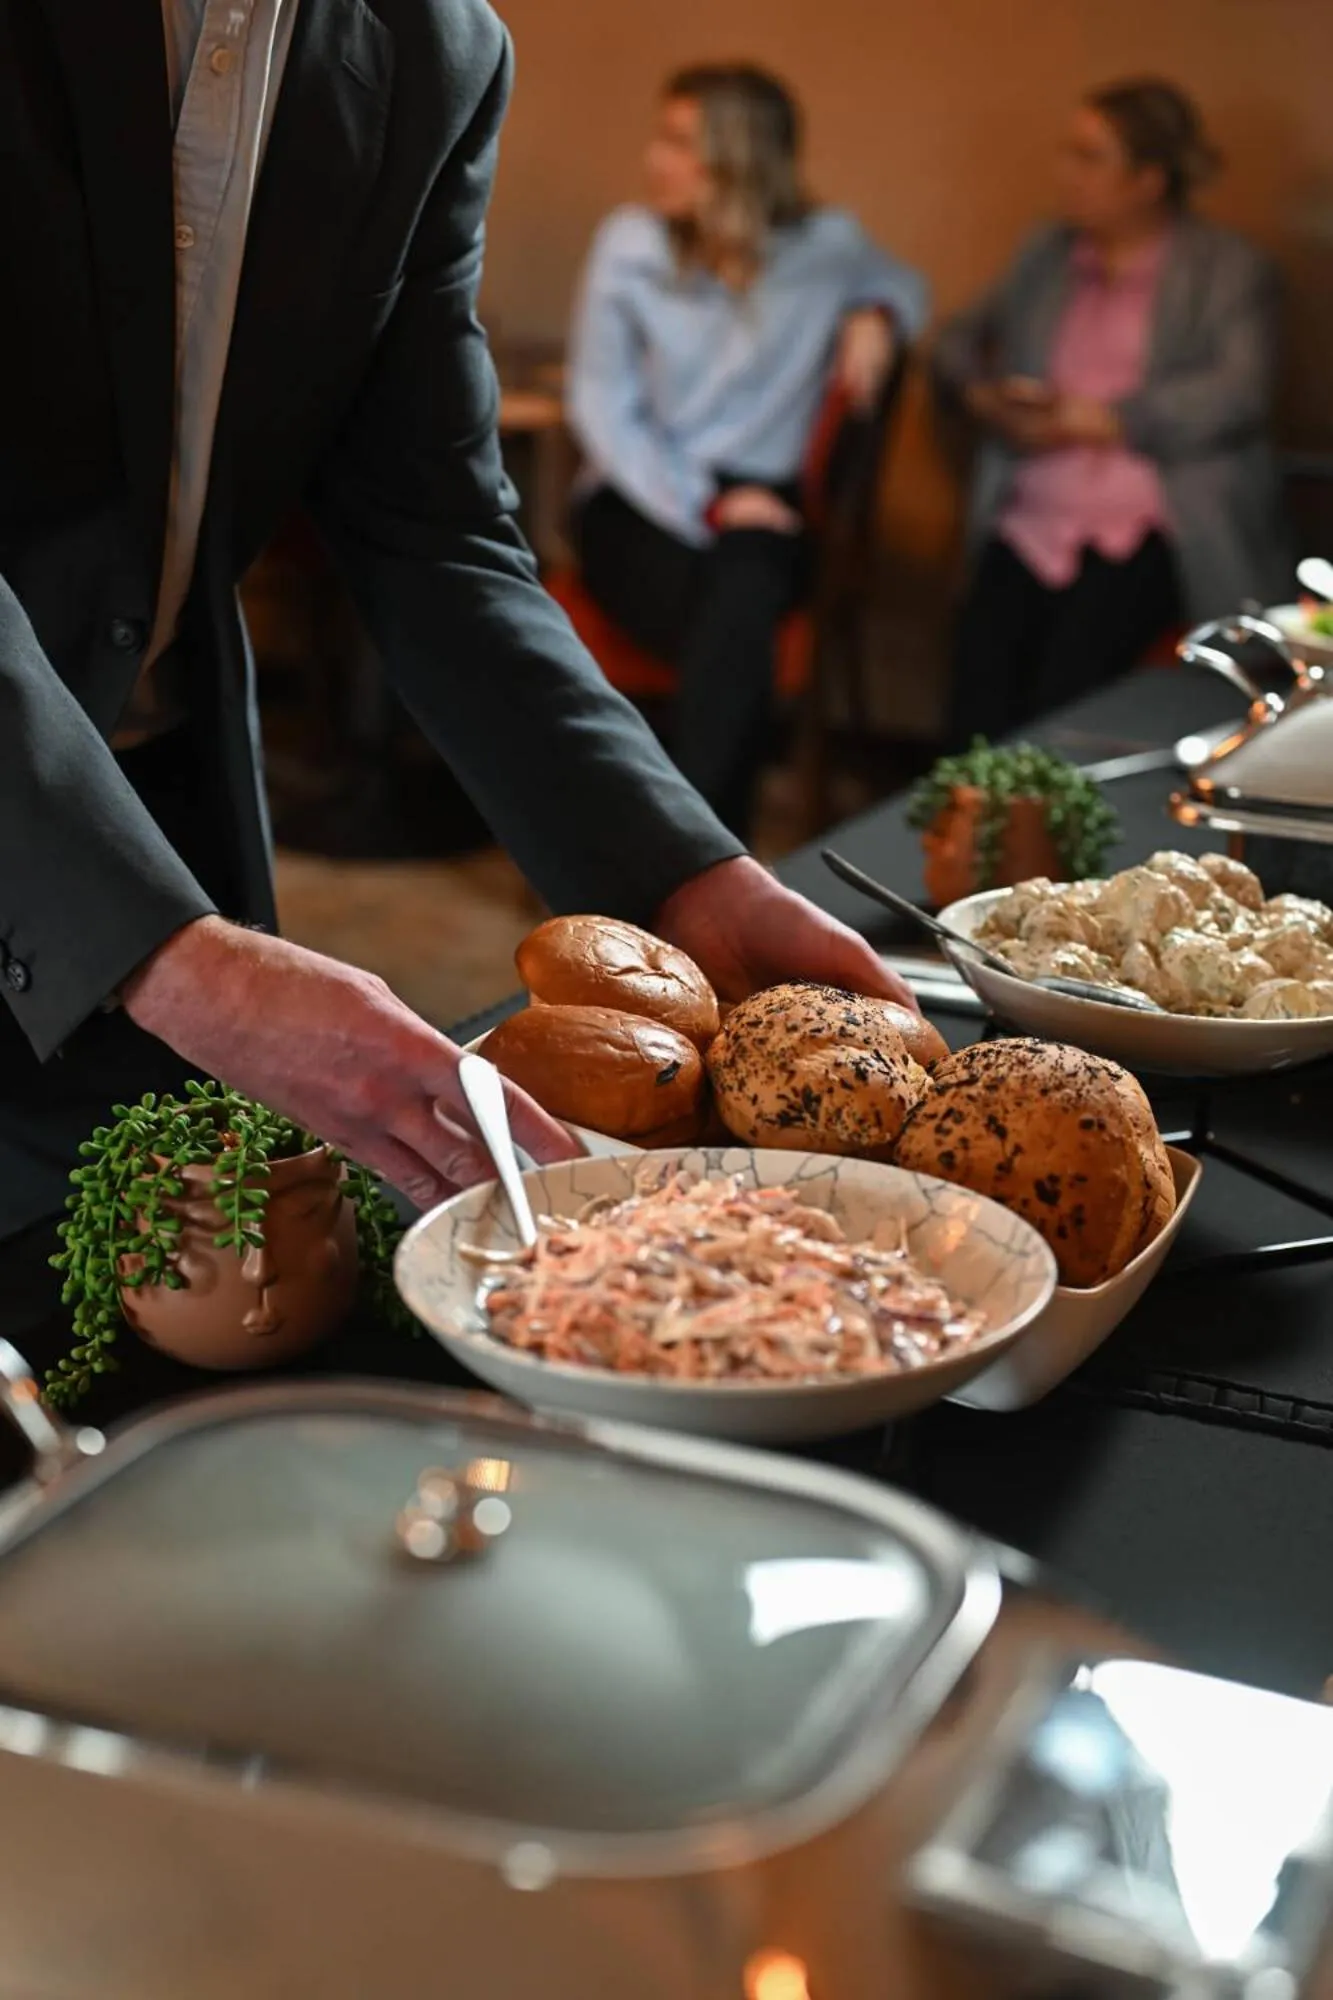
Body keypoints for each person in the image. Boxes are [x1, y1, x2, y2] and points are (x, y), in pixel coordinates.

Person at [0, 0, 918, 1252]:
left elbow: (432, 531)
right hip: (107, 882)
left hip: (162, 813)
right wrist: (166, 954)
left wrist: (679, 874)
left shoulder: (437, 52)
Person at [567, 63, 929, 835]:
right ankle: (709, 853)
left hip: (765, 506)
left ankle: (671, 847)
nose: (651, 160)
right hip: (640, 495)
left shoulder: (824, 247)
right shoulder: (629, 244)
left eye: (676, 142)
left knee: (744, 579)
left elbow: (904, 283)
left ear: (737, 157)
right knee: (733, 605)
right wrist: (702, 499)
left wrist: (877, 312)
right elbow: (600, 407)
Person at [934, 78, 1289, 749]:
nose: (1066, 174)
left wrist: (1108, 418)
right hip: (1033, 511)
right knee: (977, 685)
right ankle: (964, 839)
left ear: (1147, 179)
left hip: (1150, 517)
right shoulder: (1047, 257)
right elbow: (955, 341)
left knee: (1067, 690)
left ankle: (1055, 837)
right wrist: (985, 397)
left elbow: (1240, 391)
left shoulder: (1226, 268)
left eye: (1088, 156)